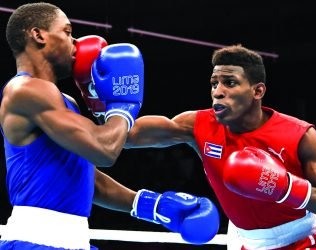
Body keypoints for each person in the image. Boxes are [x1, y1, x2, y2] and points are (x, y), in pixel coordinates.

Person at [0, 2, 220, 249]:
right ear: (38, 35)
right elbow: (104, 150)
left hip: (73, 240)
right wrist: (122, 105)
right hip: (35, 241)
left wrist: (151, 205)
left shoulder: (64, 102)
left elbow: (86, 177)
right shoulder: (25, 90)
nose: (76, 43)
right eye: (67, 32)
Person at [124, 44, 316, 249]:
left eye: (230, 83)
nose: (218, 91)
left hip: (301, 242)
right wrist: (106, 105)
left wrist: (286, 188)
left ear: (257, 91)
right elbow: (122, 139)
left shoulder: (298, 135)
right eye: (214, 83)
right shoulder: (197, 125)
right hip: (245, 243)